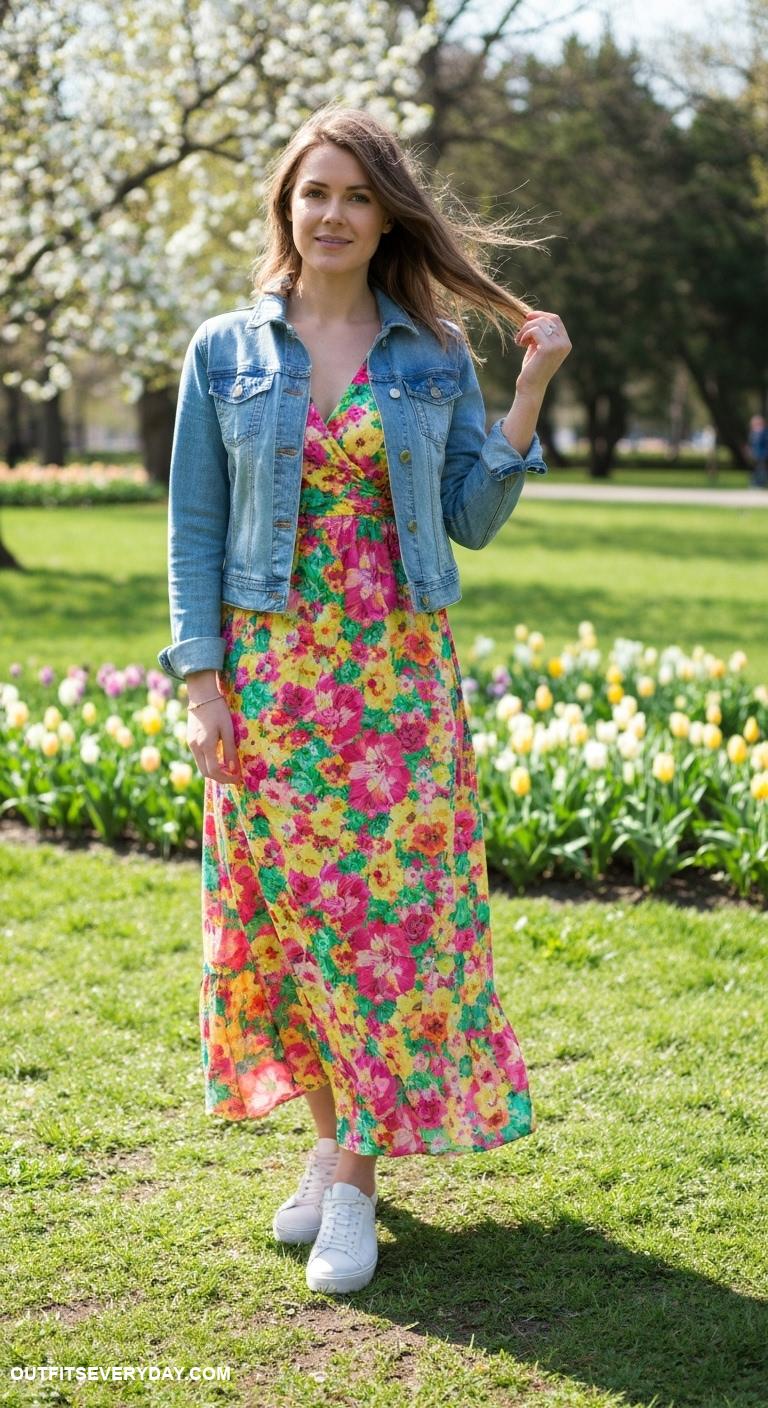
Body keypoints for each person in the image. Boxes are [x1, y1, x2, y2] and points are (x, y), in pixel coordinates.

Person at [157, 102, 571, 1296]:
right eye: (313, 194)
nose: (331, 214)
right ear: (287, 208)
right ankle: (335, 1149)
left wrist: (528, 395)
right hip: (275, 684)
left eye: (354, 195)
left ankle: (353, 1177)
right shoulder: (226, 351)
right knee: (294, 933)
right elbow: (191, 527)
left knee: (387, 934)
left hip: (394, 689)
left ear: (386, 212)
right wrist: (202, 686)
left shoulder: (430, 352)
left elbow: (469, 520)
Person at [747, 414, 768, 487]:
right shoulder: (753, 433)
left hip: (762, 454)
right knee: (755, 469)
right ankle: (755, 483)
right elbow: (751, 444)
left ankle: (760, 483)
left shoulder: (765, 432)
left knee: (761, 469)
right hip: (754, 454)